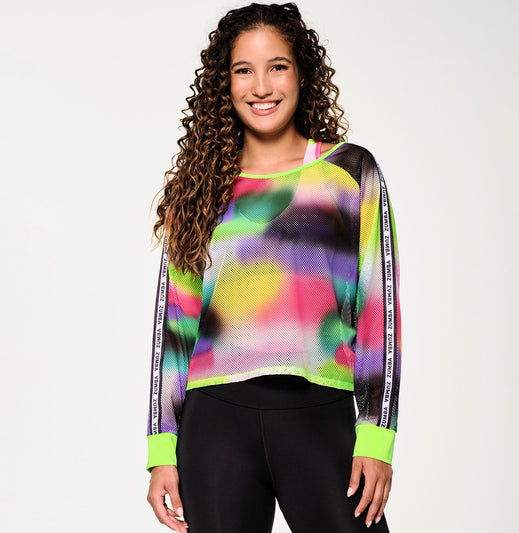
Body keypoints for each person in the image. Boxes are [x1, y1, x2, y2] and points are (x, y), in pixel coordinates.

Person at [145, 3, 402, 532]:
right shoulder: (199, 190)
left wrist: (377, 435)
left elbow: (380, 311)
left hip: (320, 411)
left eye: (277, 66)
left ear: (302, 73)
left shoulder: (349, 173)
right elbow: (174, 327)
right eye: (244, 70)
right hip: (215, 423)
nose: (261, 86)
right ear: (225, 83)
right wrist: (161, 448)